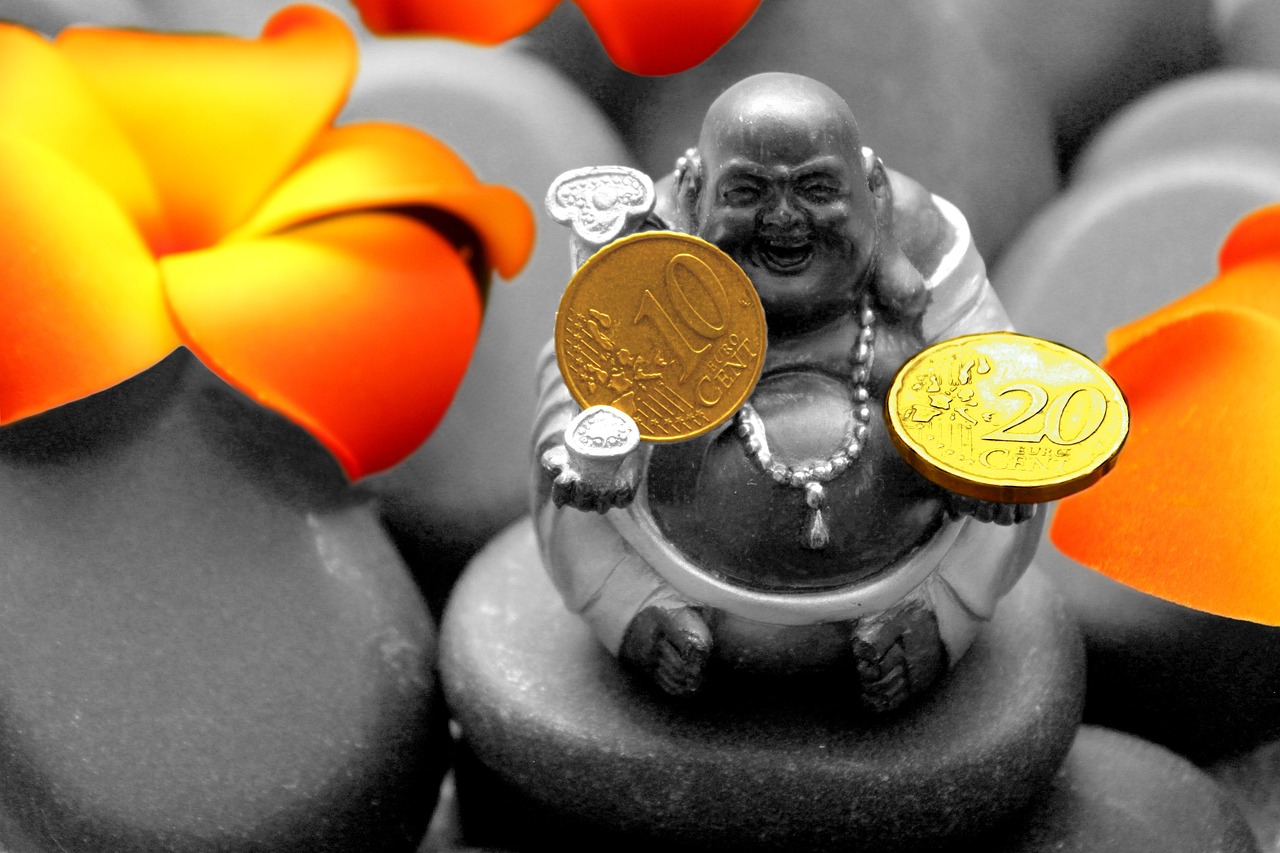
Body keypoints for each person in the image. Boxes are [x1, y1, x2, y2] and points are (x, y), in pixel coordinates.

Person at [534, 72, 1039, 712]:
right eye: (747, 192)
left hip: (915, 569)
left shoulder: (921, 236)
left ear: (870, 187)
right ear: (695, 191)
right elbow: (572, 372)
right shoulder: (643, 244)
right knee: (563, 474)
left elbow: (1001, 377)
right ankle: (633, 610)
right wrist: (595, 460)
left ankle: (939, 617)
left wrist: (985, 469)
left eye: (817, 190)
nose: (783, 219)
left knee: (1027, 455)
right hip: (668, 564)